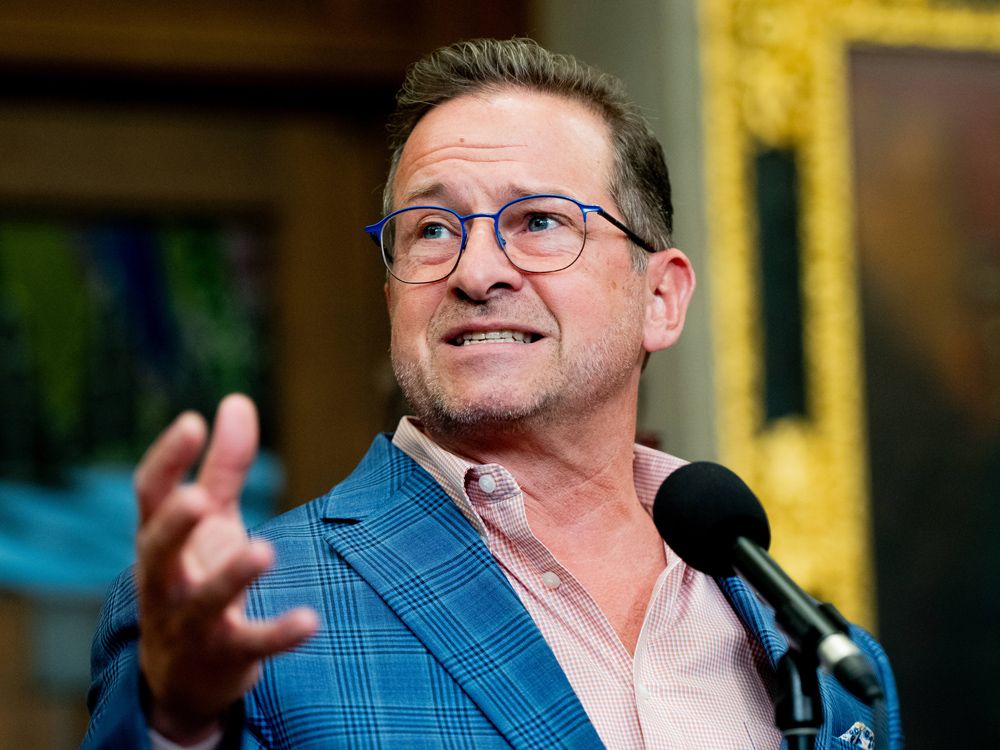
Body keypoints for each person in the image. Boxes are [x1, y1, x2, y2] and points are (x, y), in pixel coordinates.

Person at [83, 38, 901, 749]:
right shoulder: (240, 619)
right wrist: (181, 725)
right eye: (432, 230)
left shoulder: (826, 661)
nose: (476, 272)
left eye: (540, 221)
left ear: (661, 298)